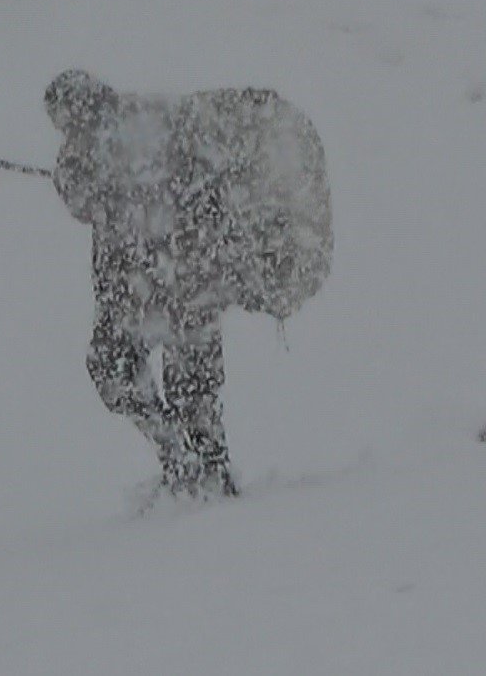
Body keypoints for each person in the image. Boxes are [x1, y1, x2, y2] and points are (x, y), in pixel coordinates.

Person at [46, 69, 332, 500]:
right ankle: (200, 469)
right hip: (181, 282)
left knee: (127, 370)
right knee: (180, 384)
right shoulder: (152, 122)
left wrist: (74, 183)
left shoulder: (107, 141)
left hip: (159, 284)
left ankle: (188, 465)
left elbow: (91, 200)